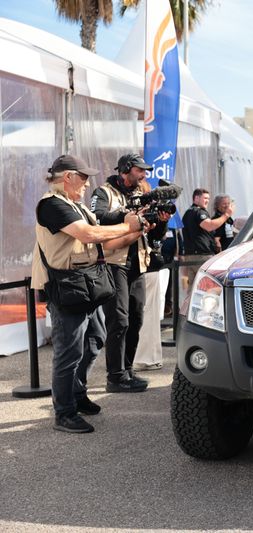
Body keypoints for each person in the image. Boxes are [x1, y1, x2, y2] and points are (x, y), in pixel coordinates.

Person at [33, 155, 144, 432]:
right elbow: (89, 234)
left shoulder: (75, 205)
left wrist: (137, 231)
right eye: (83, 177)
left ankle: (77, 394)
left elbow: (106, 241)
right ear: (67, 177)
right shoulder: (52, 205)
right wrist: (127, 225)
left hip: (85, 285)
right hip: (67, 287)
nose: (86, 183)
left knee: (95, 339)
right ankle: (64, 413)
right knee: (68, 352)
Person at [91, 153, 169, 393]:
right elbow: (96, 218)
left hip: (139, 265)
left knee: (136, 319)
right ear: (125, 169)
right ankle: (115, 377)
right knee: (119, 320)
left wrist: (161, 221)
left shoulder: (141, 194)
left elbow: (154, 236)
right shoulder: (103, 192)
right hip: (114, 263)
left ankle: (127, 370)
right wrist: (127, 216)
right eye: (139, 170)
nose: (144, 175)